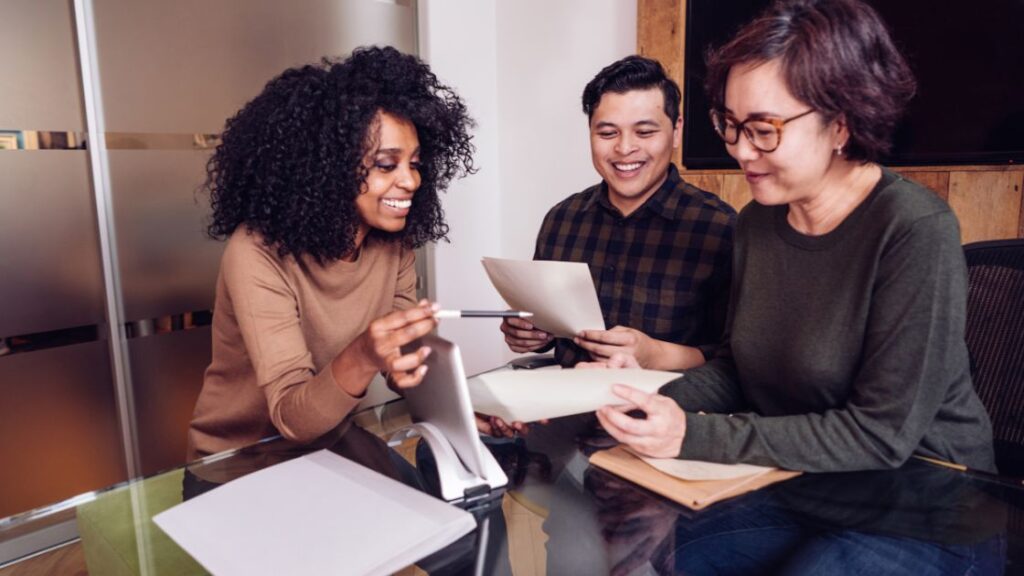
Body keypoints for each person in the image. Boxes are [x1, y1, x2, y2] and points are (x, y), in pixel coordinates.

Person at [591, 0, 995, 475]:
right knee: (655, 543)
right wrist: (642, 395)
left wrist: (692, 435)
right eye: (731, 125)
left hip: (929, 489)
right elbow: (737, 372)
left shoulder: (914, 228)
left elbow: (881, 435)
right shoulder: (756, 224)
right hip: (803, 474)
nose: (740, 150)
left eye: (763, 130)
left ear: (840, 123)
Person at [186, 46, 475, 460]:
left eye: (414, 163)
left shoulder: (394, 243)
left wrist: (463, 415)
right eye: (385, 164)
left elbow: (406, 360)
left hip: (330, 443)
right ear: (330, 166)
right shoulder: (255, 252)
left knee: (452, 515)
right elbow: (291, 417)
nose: (410, 181)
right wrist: (364, 353)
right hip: (237, 461)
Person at [499, 55, 736, 371]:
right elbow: (549, 326)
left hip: (668, 410)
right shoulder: (562, 220)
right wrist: (531, 335)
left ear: (676, 131)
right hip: (564, 405)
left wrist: (655, 354)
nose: (625, 149)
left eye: (644, 132)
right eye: (608, 133)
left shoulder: (719, 228)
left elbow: (733, 361)